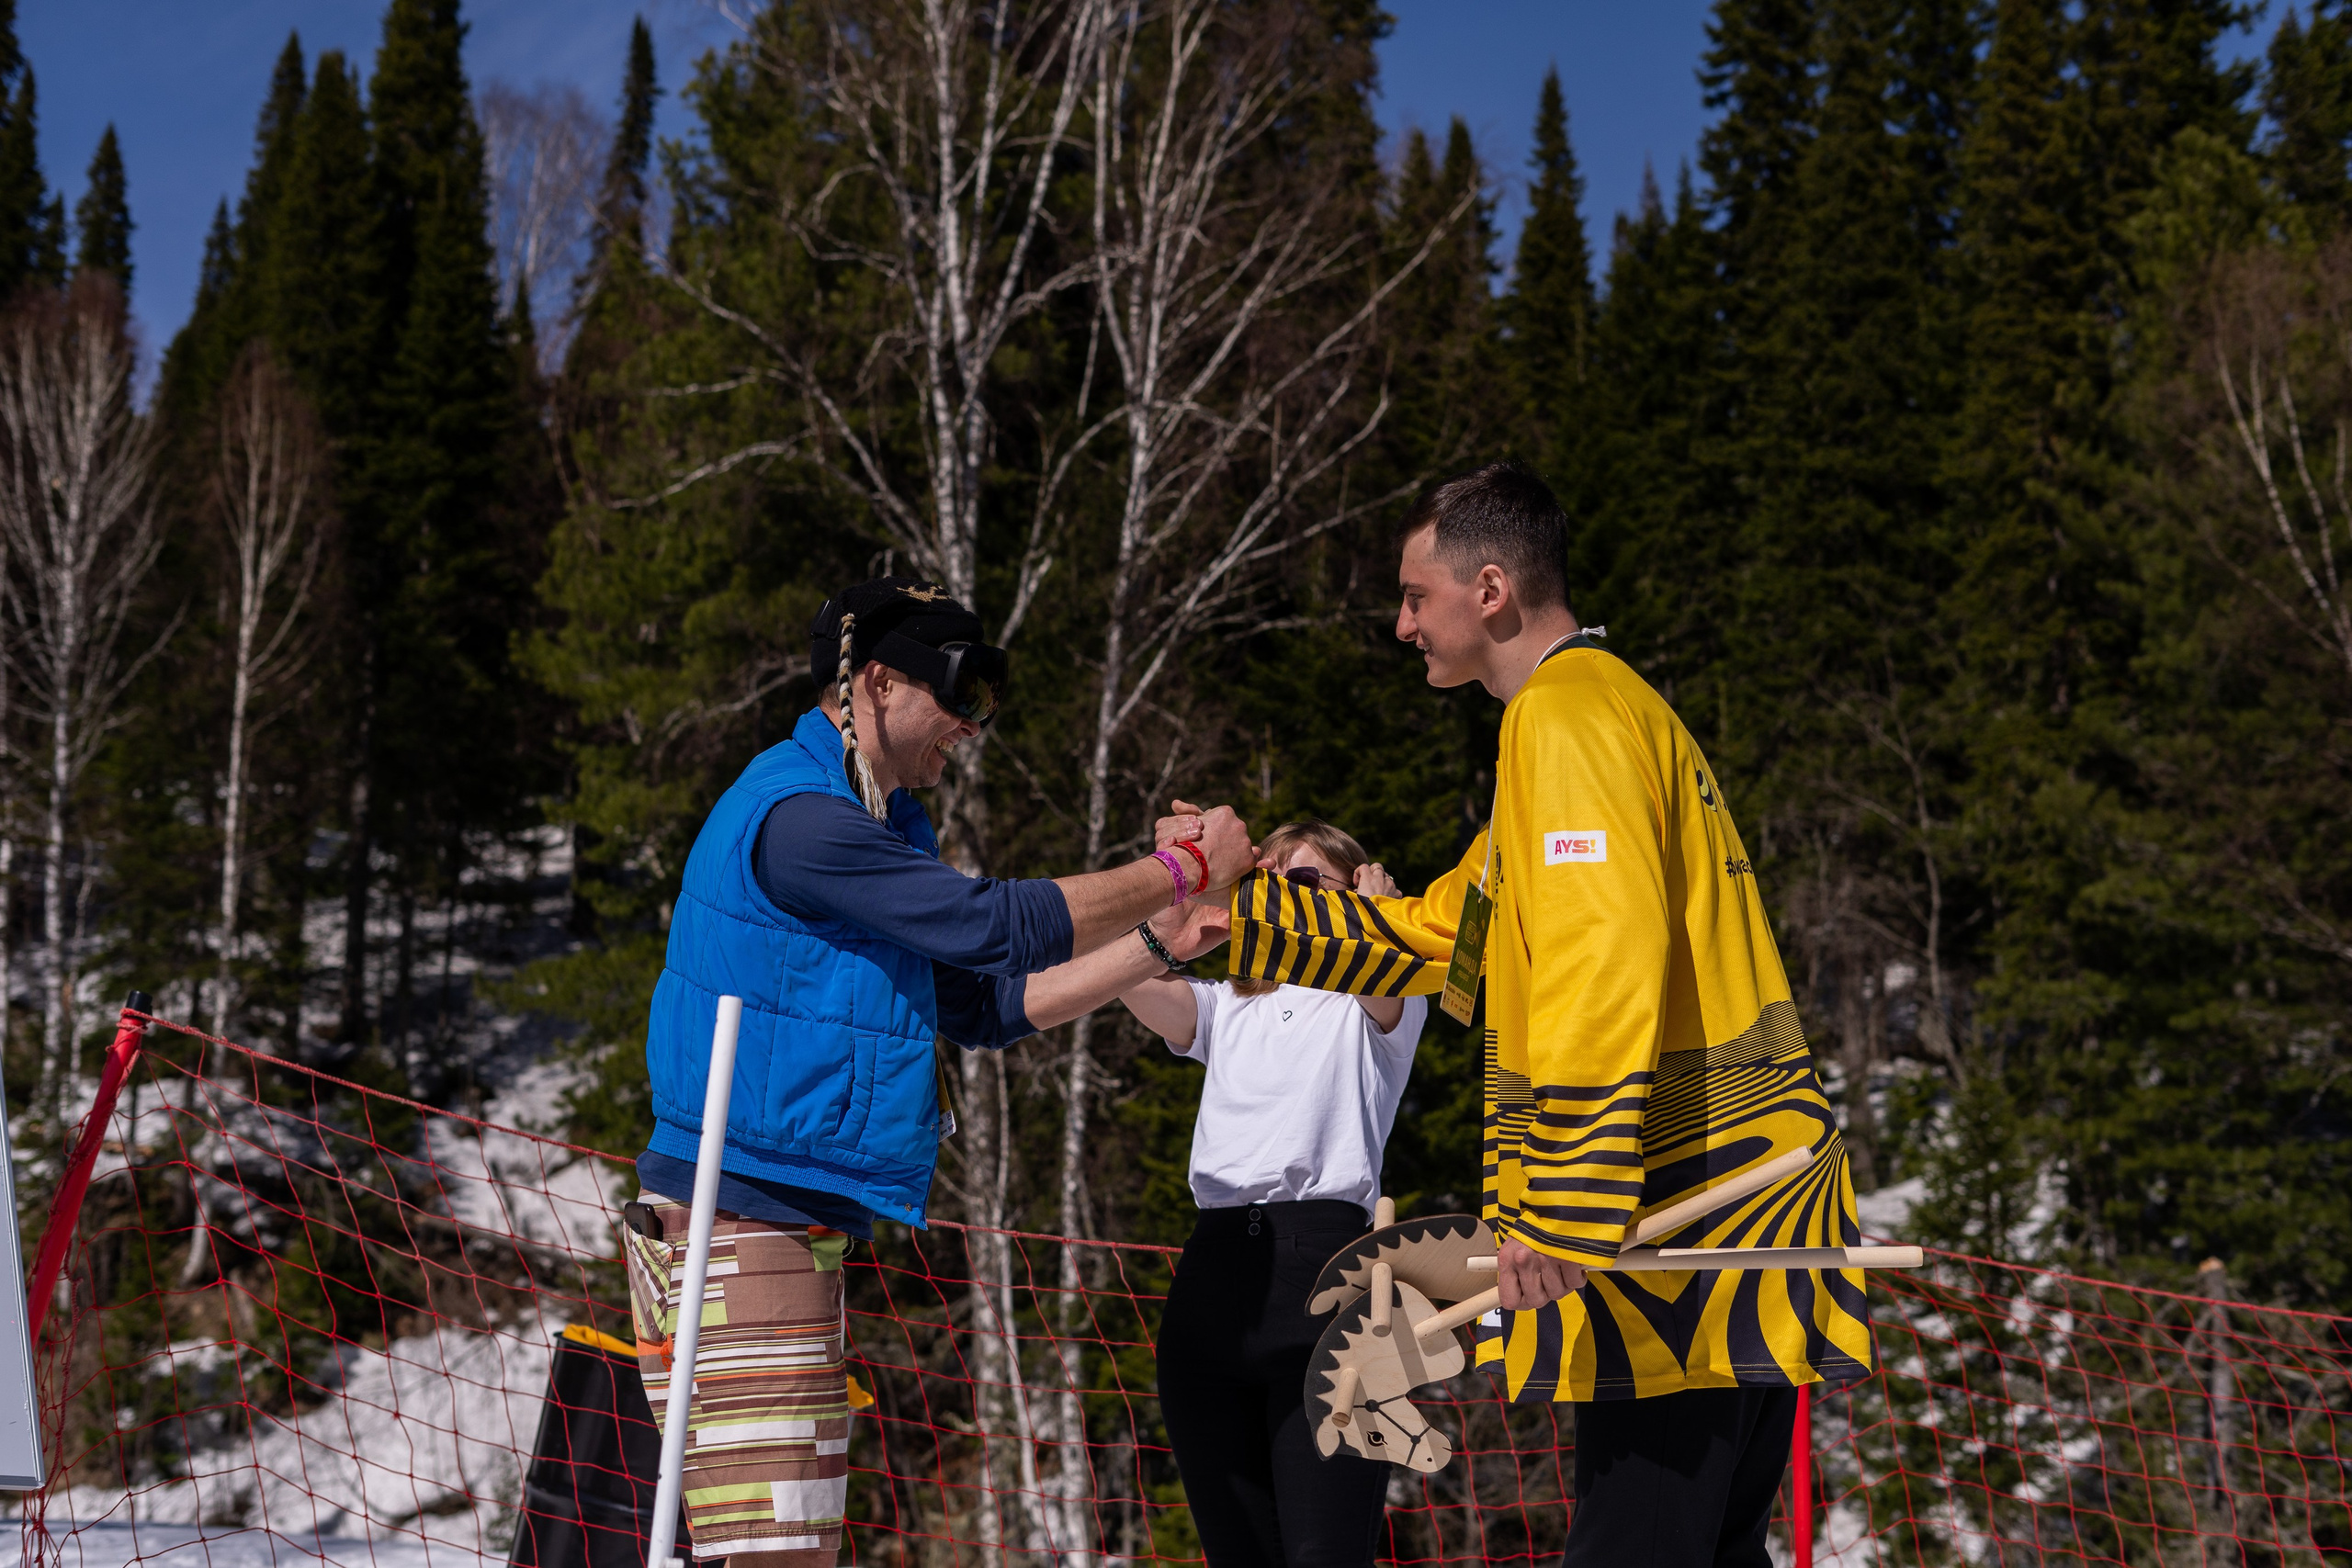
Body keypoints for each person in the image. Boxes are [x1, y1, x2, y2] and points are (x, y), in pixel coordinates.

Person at [1207, 464, 1872, 1568]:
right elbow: (1437, 933)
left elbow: (1599, 965)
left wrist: (1559, 1210)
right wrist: (1236, 925)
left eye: (1416, 596)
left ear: (1491, 589)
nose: (1400, 622)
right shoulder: (1579, 721)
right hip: (1726, 1214)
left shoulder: (1567, 721)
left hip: (1682, 1227)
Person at [622, 577, 1250, 1568]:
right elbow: (990, 925)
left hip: (779, 1227)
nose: (967, 726)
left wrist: (1159, 945)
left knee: (785, 1544)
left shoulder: (869, 825)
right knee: (776, 1554)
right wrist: (1181, 870)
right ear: (874, 682)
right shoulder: (799, 820)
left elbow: (983, 1005)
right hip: (743, 1228)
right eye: (955, 695)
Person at [1115, 818, 1426, 1568]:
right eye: (1269, 882)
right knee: (1238, 1553)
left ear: (1351, 889)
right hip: (1214, 1278)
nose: (1284, 896)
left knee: (1328, 1552)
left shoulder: (1375, 998)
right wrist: (1174, 894)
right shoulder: (1228, 1006)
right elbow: (1122, 974)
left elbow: (1382, 980)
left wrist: (1376, 921)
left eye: (1305, 880)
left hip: (1330, 1273)